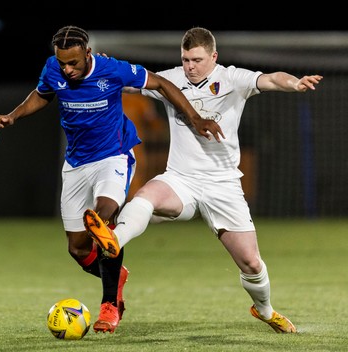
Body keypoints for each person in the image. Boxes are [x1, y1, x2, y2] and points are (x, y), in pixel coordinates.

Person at [84, 27, 323, 333]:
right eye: (185, 60)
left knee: (251, 264)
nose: (190, 66)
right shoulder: (170, 79)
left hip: (223, 185)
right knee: (145, 196)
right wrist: (102, 68)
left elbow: (272, 78)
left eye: (196, 60)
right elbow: (129, 84)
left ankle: (265, 310)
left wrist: (296, 83)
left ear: (214, 56)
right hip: (181, 179)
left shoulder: (233, 78)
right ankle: (113, 240)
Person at [0, 25, 224, 334]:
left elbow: (162, 84)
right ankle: (116, 274)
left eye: (74, 62)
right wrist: (13, 115)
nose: (68, 69)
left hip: (113, 155)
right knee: (77, 248)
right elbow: (42, 93)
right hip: (75, 164)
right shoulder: (53, 68)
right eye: (62, 63)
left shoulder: (112, 70)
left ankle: (110, 306)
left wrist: (194, 118)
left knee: (102, 219)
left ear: (88, 54)